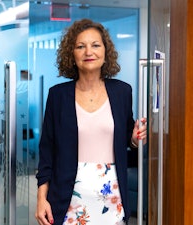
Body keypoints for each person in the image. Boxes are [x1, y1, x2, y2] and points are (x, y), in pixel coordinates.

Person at [35, 18, 147, 225]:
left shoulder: (122, 92)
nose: (89, 52)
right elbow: (47, 152)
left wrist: (133, 139)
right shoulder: (58, 96)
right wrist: (41, 198)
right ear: (72, 54)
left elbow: (126, 143)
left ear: (105, 52)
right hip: (68, 197)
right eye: (80, 46)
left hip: (112, 195)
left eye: (95, 45)